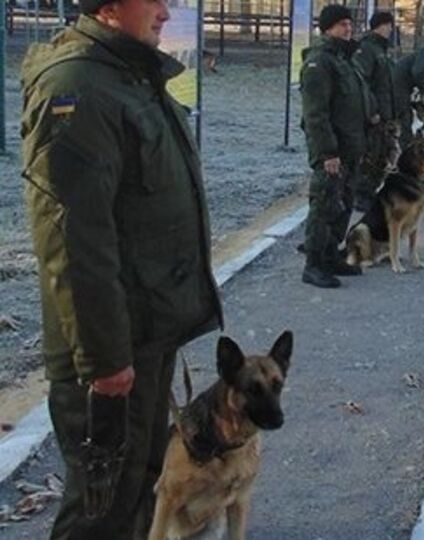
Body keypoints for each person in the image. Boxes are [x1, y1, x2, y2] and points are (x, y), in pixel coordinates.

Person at [19, 0, 222, 536]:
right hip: (110, 355)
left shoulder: (128, 76)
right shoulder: (78, 87)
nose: (166, 11)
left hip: (145, 335)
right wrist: (106, 361)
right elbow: (74, 242)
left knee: (139, 486)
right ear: (108, 6)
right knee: (102, 509)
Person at [300, 4, 374, 288]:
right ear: (327, 28)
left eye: (350, 24)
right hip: (333, 151)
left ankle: (331, 256)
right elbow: (315, 114)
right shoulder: (319, 62)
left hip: (351, 148)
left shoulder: (345, 60)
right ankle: (313, 264)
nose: (348, 29)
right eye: (342, 24)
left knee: (343, 205)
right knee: (324, 206)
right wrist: (327, 152)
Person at [355, 11, 397, 127]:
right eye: (388, 25)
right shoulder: (366, 48)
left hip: (384, 111)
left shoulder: (381, 48)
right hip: (374, 114)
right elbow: (363, 82)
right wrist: (372, 111)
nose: (390, 29)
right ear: (380, 26)